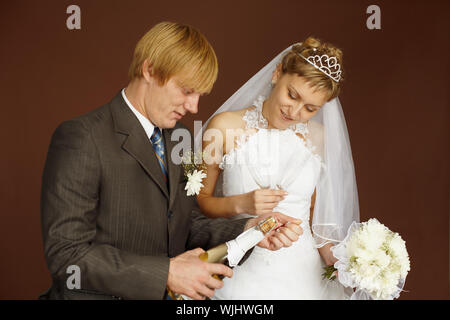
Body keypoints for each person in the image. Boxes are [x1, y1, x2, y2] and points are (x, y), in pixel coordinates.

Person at [39, 21, 303, 300]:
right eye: (187, 90)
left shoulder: (182, 137)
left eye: (200, 95)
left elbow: (187, 222)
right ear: (149, 70)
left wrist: (250, 229)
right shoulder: (82, 137)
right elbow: (66, 255)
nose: (194, 107)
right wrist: (166, 273)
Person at [195, 37, 360, 299]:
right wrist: (241, 204)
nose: (294, 112)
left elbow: (315, 215)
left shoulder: (319, 138)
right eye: (292, 95)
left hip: (305, 276)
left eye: (310, 108)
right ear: (277, 73)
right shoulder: (224, 127)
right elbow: (199, 202)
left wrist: (337, 260)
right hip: (242, 269)